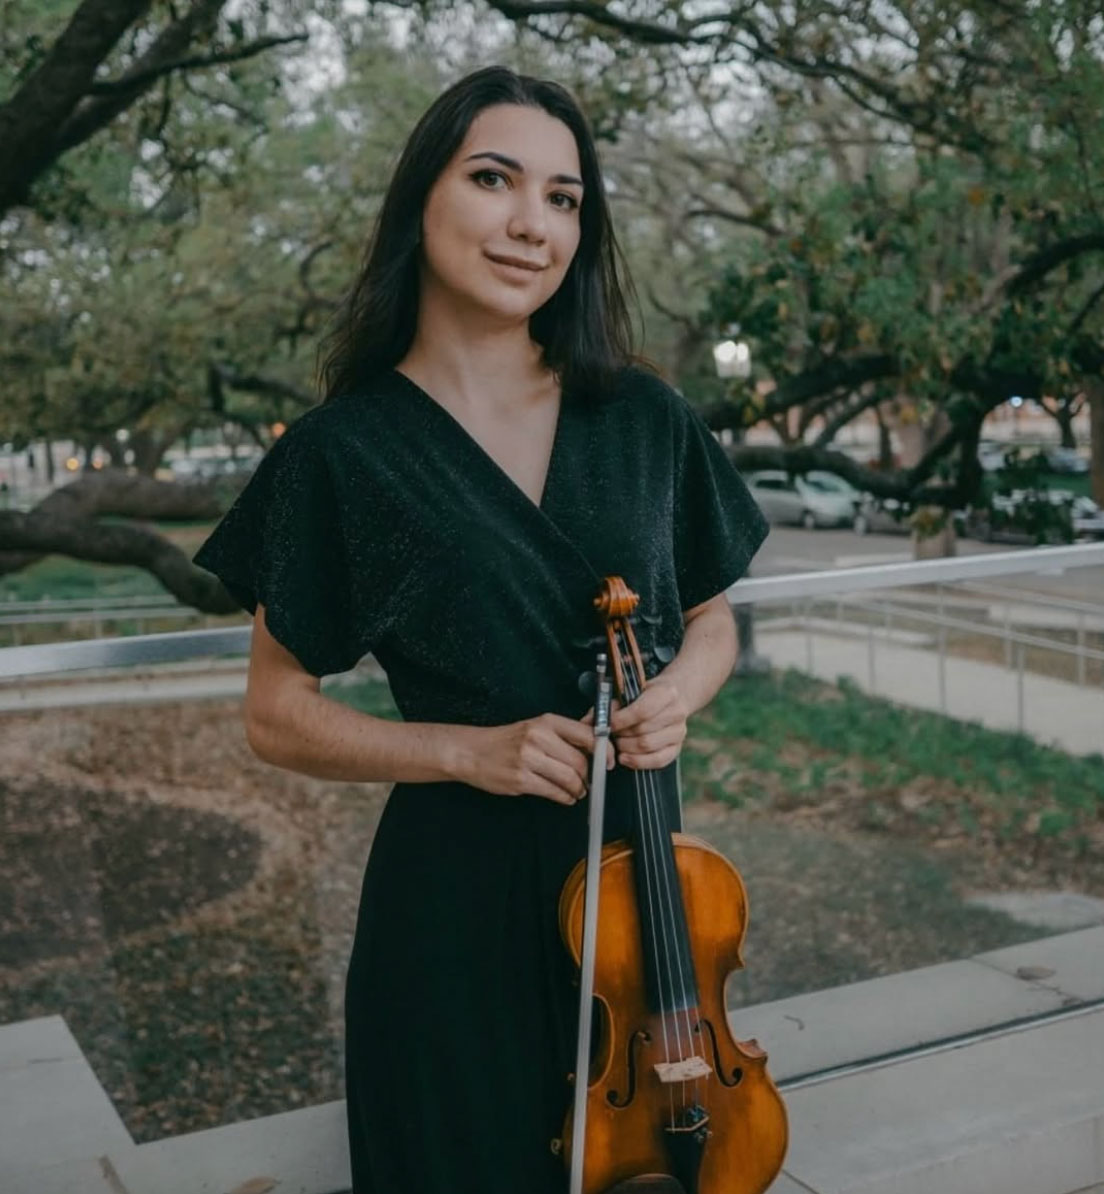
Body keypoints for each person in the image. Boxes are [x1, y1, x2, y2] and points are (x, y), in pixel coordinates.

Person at [192, 64, 768, 1194]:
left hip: (643, 913)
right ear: (423, 200)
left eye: (564, 198)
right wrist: (466, 749)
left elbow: (710, 622)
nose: (531, 224)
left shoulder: (643, 414)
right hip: (450, 913)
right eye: (495, 180)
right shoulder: (342, 451)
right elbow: (275, 714)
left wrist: (682, 694)